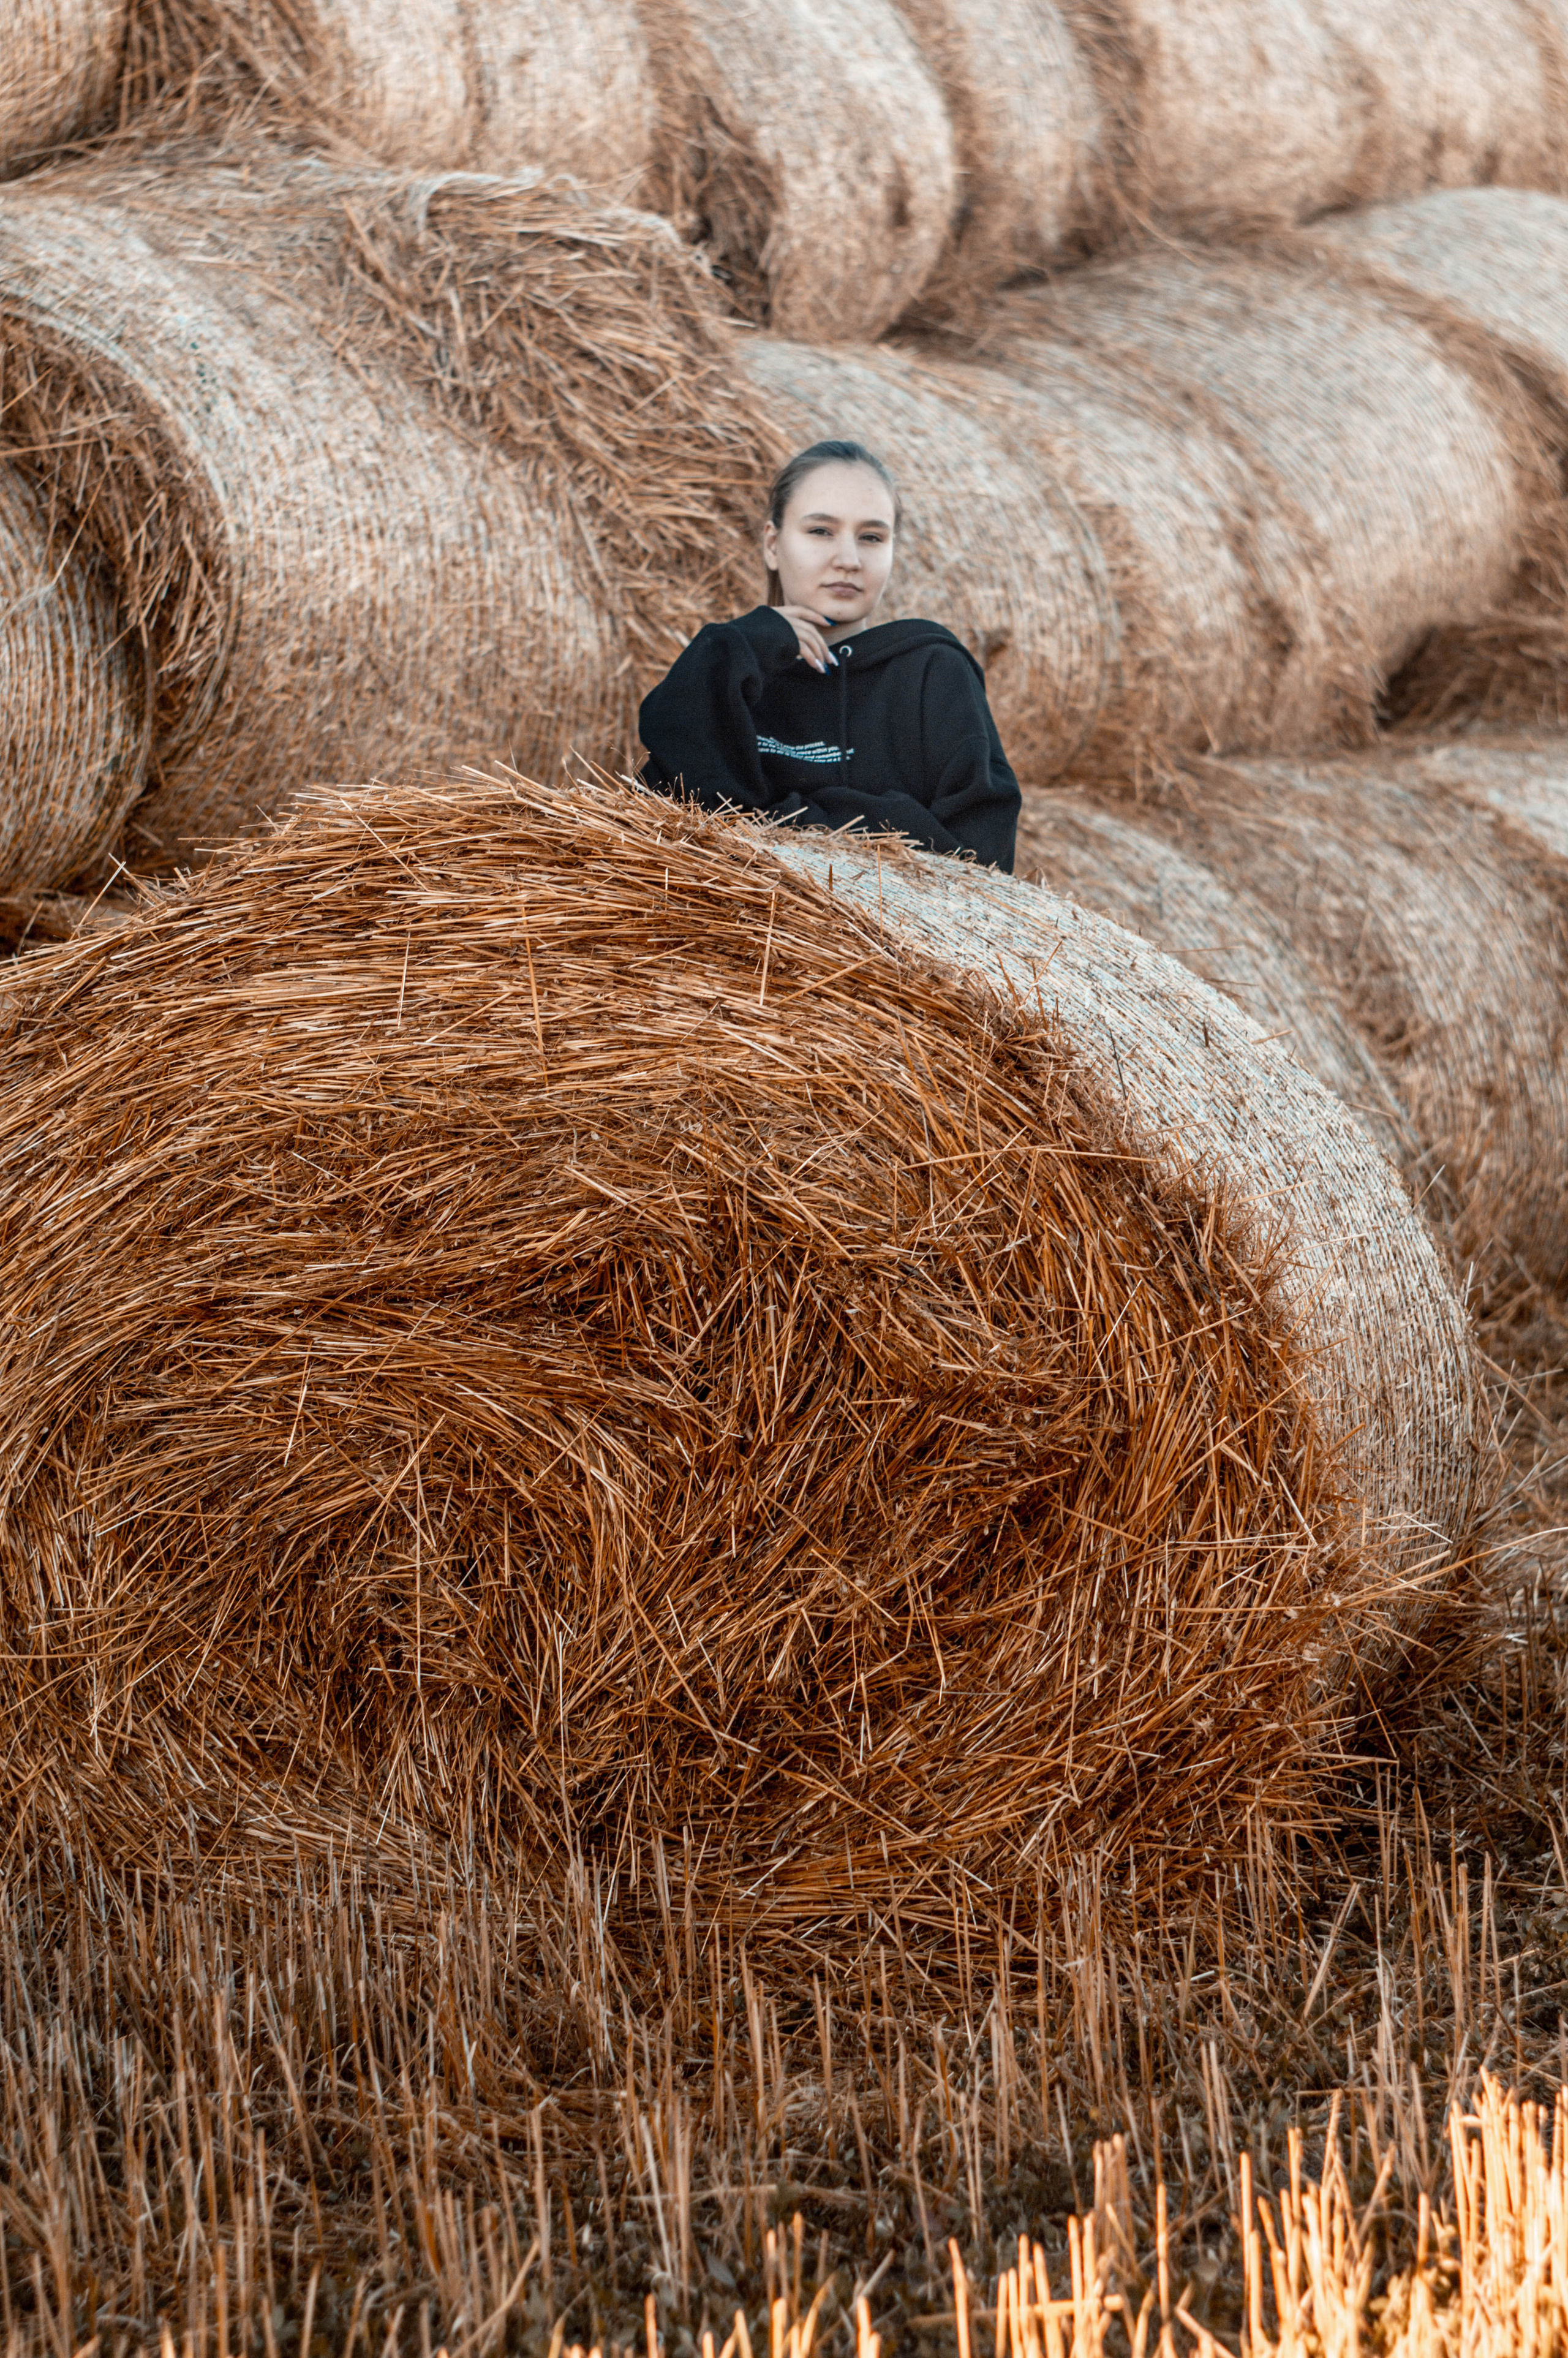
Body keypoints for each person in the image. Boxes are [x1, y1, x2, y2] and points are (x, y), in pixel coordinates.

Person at [638, 439, 1020, 871]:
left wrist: (785, 818)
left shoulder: (932, 672)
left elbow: (982, 858)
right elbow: (680, 815)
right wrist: (733, 646)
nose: (849, 559)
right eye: (820, 531)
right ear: (772, 544)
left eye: (872, 537)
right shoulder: (728, 672)